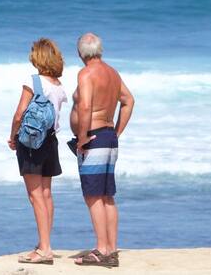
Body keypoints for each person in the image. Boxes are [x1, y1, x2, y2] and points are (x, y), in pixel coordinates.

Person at [69, 32, 134, 268]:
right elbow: (129, 101)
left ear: (79, 53)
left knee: (93, 195)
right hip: (107, 136)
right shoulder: (113, 73)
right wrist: (116, 131)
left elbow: (85, 105)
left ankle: (102, 249)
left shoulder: (86, 73)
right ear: (100, 50)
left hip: (93, 139)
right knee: (106, 195)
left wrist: (83, 137)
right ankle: (111, 249)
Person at [7, 38, 68, 265]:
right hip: (51, 142)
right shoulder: (59, 86)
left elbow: (19, 114)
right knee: (46, 194)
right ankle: (45, 244)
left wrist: (13, 136)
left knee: (35, 196)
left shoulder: (32, 81)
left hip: (31, 143)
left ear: (38, 57)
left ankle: (44, 249)